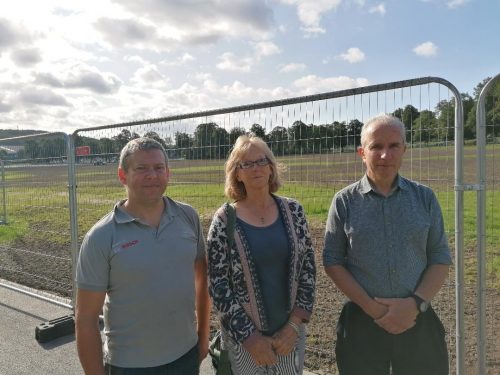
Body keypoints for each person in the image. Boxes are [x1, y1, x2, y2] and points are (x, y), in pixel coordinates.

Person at [323, 114, 452, 375]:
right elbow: (333, 261)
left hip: (417, 316)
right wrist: (375, 309)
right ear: (362, 152)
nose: (385, 155)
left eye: (394, 146)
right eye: (376, 147)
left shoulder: (425, 198)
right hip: (362, 321)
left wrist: (414, 304)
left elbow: (439, 257)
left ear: (404, 149)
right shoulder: (344, 202)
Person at [75, 137, 210, 375]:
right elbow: (85, 320)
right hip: (128, 366)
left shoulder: (188, 217)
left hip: (186, 357)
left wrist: (202, 338)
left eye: (159, 168)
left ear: (168, 173)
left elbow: (202, 279)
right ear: (122, 175)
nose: (152, 175)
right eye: (141, 168)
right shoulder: (101, 236)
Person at [207, 134, 316, 374]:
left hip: (290, 336)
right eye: (246, 164)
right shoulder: (224, 220)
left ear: (271, 167)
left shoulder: (294, 211)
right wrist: (250, 338)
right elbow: (218, 285)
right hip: (243, 341)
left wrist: (295, 325)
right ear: (237, 173)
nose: (255, 168)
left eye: (261, 161)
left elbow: (308, 269)